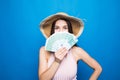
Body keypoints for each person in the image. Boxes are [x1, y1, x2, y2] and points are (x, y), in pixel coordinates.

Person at [38, 12, 102, 80]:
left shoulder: (76, 51)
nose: (61, 31)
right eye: (56, 28)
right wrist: (57, 61)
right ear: (53, 31)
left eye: (65, 28)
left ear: (69, 31)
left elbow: (98, 68)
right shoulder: (44, 51)